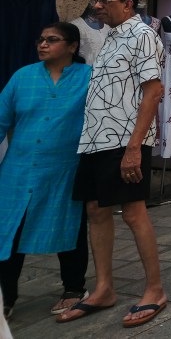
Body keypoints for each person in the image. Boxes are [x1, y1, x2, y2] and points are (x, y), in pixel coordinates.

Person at [61, 0, 167, 328]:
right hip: (95, 139)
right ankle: (104, 288)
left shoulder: (142, 35)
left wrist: (135, 148)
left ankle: (155, 290)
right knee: (95, 210)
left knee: (133, 213)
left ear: (128, 4)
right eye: (95, 0)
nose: (96, 6)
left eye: (104, 1)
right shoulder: (111, 36)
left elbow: (153, 92)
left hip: (123, 139)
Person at [0, 23, 90, 320]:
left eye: (52, 40)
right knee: (8, 232)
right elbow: (1, 120)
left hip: (65, 169)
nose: (43, 44)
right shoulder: (22, 77)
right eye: (40, 39)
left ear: (72, 46)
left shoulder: (88, 79)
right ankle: (6, 298)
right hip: (18, 169)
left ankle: (74, 289)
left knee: (70, 227)